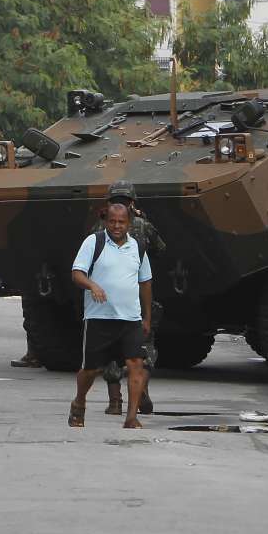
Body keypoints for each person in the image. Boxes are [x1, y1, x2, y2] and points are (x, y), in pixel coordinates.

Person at [67, 203, 152, 429]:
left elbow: (145, 282)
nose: (116, 226)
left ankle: (131, 417)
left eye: (121, 222)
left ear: (129, 224)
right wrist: (92, 285)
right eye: (112, 221)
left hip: (130, 319)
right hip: (99, 318)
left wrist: (147, 317)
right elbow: (77, 273)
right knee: (90, 370)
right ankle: (79, 402)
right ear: (106, 221)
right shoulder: (94, 242)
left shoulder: (138, 247)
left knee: (136, 365)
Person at [93, 180, 166, 416]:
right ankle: (141, 390)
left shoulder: (101, 228)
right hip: (136, 295)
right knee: (144, 348)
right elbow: (160, 249)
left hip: (107, 297)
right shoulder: (143, 226)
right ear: (132, 202)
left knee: (111, 351)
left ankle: (115, 402)